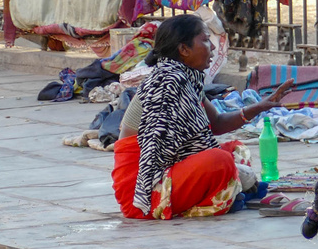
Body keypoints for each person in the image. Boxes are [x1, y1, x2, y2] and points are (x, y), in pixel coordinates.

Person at [111, 14, 291, 220]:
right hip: (144, 191)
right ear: (184, 50)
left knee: (235, 149)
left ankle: (227, 192)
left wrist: (259, 107)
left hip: (170, 168)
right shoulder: (168, 83)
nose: (213, 48)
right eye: (205, 40)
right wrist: (231, 171)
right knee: (221, 160)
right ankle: (213, 200)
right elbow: (167, 154)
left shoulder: (187, 78)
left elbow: (216, 123)